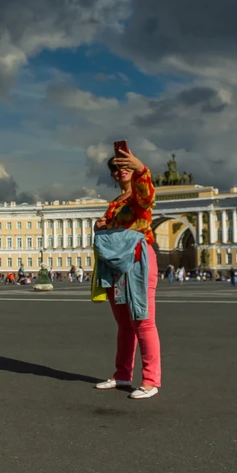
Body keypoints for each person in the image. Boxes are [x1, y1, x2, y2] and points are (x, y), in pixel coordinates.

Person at [93, 146, 161, 400]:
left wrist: (140, 167)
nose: (120, 170)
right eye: (115, 168)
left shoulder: (138, 197)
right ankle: (122, 374)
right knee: (124, 324)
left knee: (143, 321)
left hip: (138, 261)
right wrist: (98, 226)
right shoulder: (115, 204)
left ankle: (150, 380)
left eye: (125, 166)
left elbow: (146, 195)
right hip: (115, 266)